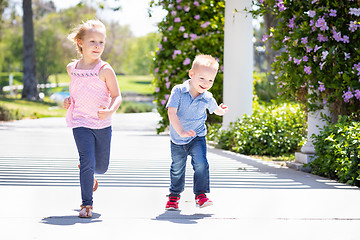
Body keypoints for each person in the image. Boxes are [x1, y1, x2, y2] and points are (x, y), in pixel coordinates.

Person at [63, 19, 122, 218]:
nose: (97, 46)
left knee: (101, 167)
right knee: (87, 160)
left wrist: (110, 111)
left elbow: (117, 96)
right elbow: (77, 91)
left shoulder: (105, 69)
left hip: (102, 123)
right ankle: (86, 205)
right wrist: (69, 100)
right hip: (80, 121)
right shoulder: (72, 68)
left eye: (101, 42)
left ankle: (91, 175)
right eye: (92, 42)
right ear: (80, 42)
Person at [165, 54, 228, 210]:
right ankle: (174, 197)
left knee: (201, 163)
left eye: (210, 80)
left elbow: (215, 110)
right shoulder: (178, 91)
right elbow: (171, 112)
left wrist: (221, 110)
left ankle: (201, 195)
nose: (206, 84)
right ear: (191, 74)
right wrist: (181, 132)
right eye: (202, 79)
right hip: (178, 138)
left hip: (197, 136)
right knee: (177, 168)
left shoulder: (207, 97)